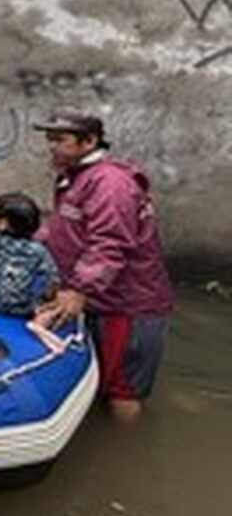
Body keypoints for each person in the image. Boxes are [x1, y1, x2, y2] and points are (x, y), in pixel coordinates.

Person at [30, 111, 174, 422]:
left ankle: (128, 454)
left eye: (61, 140)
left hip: (126, 305)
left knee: (122, 389)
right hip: (101, 299)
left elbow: (109, 244)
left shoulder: (109, 184)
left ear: (90, 141)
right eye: (49, 140)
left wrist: (80, 289)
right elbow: (63, 229)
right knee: (101, 378)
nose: (52, 147)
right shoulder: (77, 177)